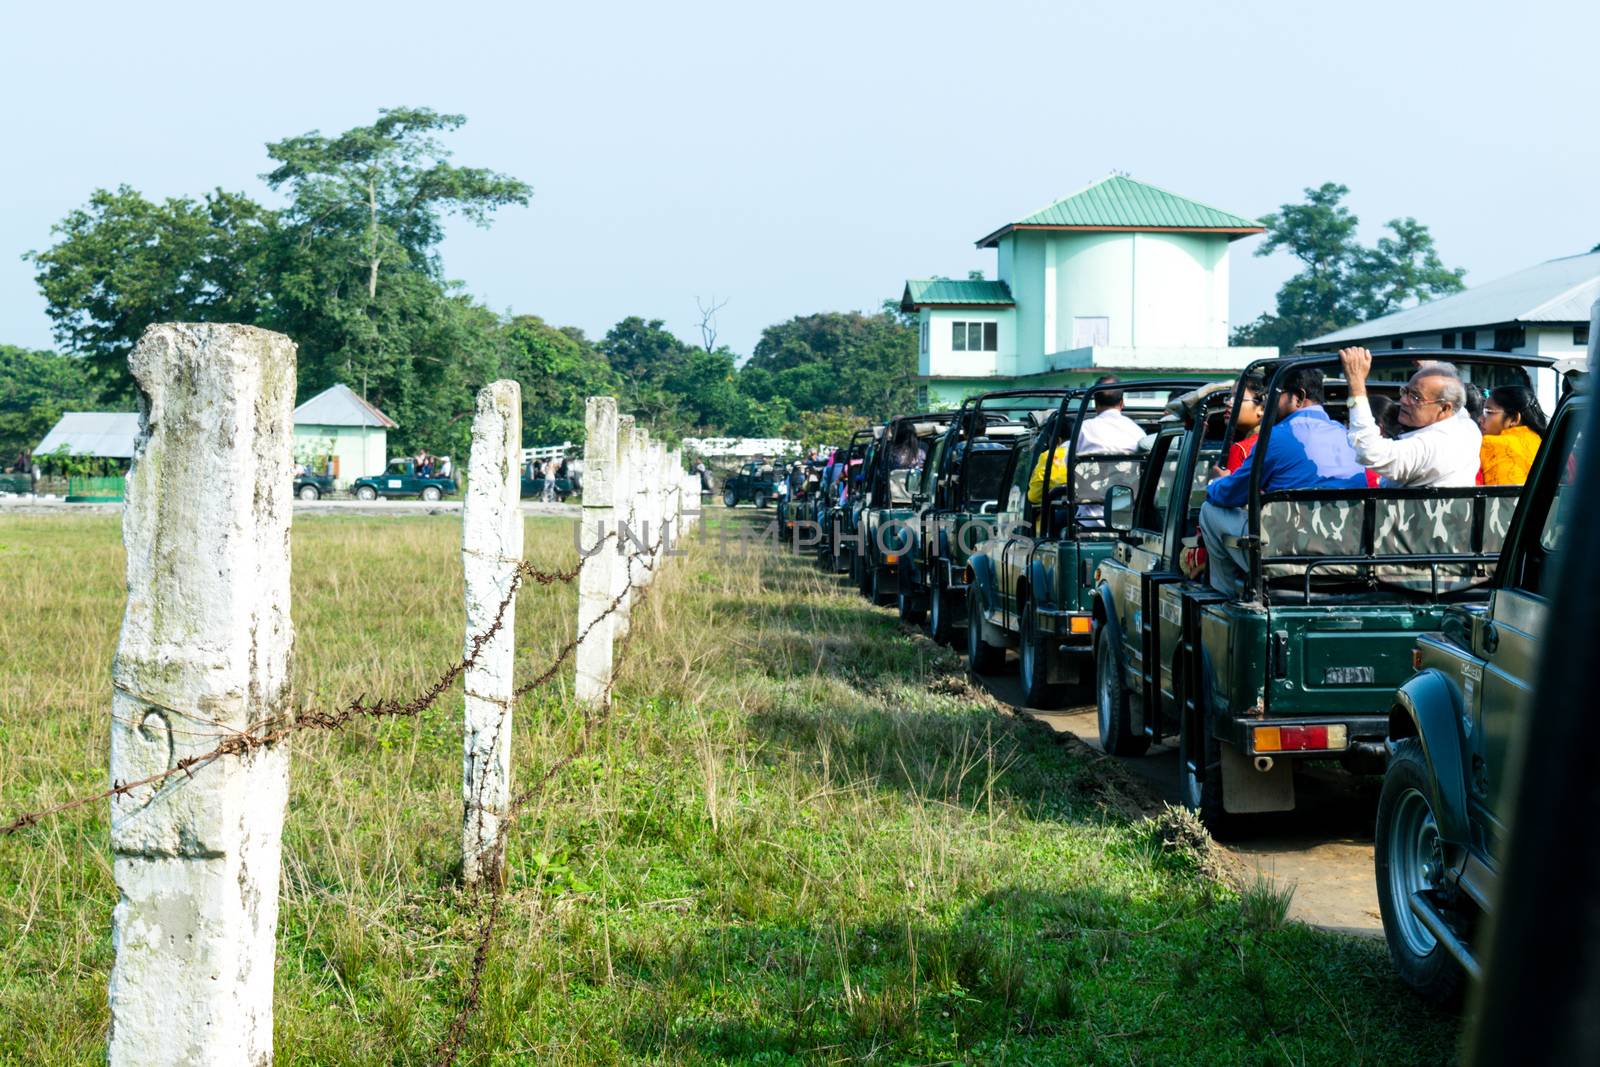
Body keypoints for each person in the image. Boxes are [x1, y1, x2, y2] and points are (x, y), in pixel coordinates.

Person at [1199, 366, 1367, 595]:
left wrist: (1215, 482)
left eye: (1272, 396)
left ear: (1297, 397)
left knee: (1210, 510)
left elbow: (1230, 494)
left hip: (1288, 557)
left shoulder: (1275, 437)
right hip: (1349, 554)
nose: (1267, 404)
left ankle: (1227, 596)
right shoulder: (1347, 435)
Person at [1338, 348, 1481, 487]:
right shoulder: (1468, 428)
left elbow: (1369, 451)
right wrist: (1429, 367)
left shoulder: (1428, 447)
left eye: (1416, 397)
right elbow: (1457, 404)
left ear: (1444, 408)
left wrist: (1356, 384)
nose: (1403, 401)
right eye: (1405, 392)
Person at [1479, 385, 1547, 485]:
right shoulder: (1540, 441)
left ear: (1514, 419)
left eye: (1488, 412)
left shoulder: (1489, 443)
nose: (1480, 419)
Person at [1213, 375, 1265, 475]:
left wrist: (1219, 482)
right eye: (1229, 397)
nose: (1228, 403)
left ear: (1262, 409)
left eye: (1237, 398)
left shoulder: (1241, 450)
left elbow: (1231, 490)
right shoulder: (1278, 441)